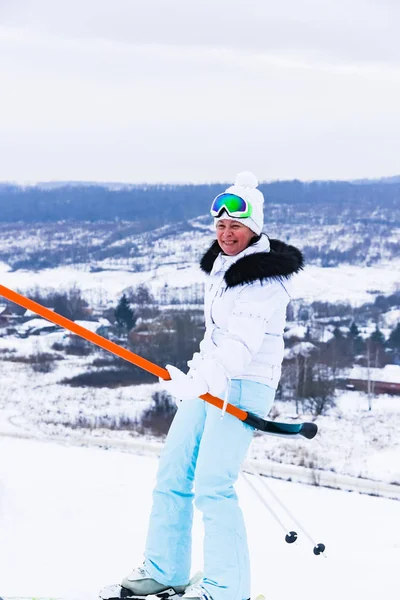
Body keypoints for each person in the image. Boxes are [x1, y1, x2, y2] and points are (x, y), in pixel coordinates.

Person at [121, 172, 303, 600]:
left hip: (244, 385)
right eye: (220, 226)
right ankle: (166, 568)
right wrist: (196, 374)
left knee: (213, 486)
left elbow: (241, 345)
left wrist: (201, 380)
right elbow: (217, 339)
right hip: (211, 380)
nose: (226, 233)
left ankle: (227, 589)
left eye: (235, 226)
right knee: (172, 475)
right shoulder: (223, 269)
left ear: (254, 227)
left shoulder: (264, 280)